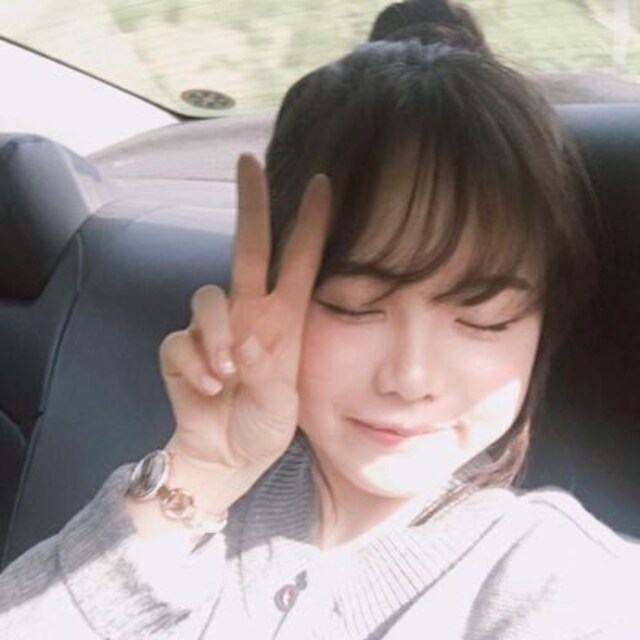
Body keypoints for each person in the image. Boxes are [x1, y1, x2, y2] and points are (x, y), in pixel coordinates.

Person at [1, 1, 639, 638]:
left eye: (485, 317)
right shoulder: (192, 521)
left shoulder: (562, 585)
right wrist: (196, 477)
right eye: (354, 306)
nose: (410, 378)